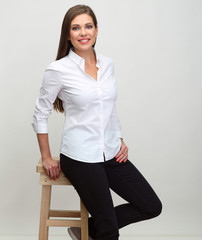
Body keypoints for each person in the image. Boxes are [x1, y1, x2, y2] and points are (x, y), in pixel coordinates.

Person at [32, 4, 162, 240]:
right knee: (110, 232)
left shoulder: (108, 64)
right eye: (76, 28)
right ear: (68, 34)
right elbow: (40, 113)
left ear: (96, 30)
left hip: (110, 152)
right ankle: (101, 228)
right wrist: (46, 156)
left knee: (151, 206)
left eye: (88, 26)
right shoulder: (58, 70)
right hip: (80, 156)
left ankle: (90, 229)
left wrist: (119, 137)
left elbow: (109, 108)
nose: (83, 33)